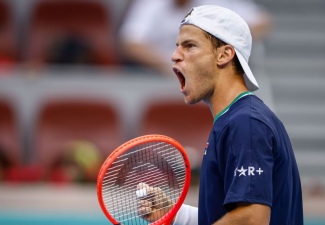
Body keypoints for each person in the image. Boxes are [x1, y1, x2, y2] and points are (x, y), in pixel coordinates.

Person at [137, 5, 303, 225]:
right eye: (178, 46)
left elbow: (253, 219)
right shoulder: (238, 119)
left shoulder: (246, 123)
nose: (174, 55)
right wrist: (176, 215)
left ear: (224, 55)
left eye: (190, 46)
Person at [118, 0, 272, 77]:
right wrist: (169, 66)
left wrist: (221, 46)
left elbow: (262, 22)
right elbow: (131, 43)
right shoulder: (150, 3)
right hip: (158, 75)